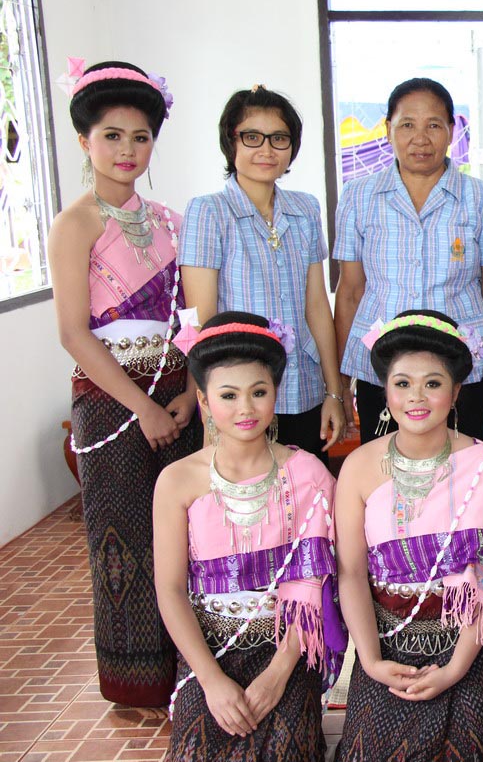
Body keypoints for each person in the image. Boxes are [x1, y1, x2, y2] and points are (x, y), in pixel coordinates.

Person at [332, 310, 483, 760]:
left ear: (457, 391)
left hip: (468, 645)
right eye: (402, 383)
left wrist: (455, 669)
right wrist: (371, 661)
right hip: (386, 644)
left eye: (433, 383)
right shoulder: (359, 467)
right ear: (385, 390)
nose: (416, 397)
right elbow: (351, 572)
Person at [48, 60, 200, 707]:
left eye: (140, 137)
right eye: (112, 135)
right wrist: (143, 407)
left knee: (186, 536)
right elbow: (73, 332)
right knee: (124, 538)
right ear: (84, 140)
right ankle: (139, 681)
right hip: (111, 403)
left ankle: (195, 669)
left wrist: (189, 394)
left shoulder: (172, 220)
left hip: (177, 394)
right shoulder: (74, 224)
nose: (127, 149)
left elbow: (192, 319)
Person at [154, 312, 345, 759]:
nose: (246, 408)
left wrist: (277, 675)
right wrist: (211, 681)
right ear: (203, 400)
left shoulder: (309, 475)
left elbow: (316, 587)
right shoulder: (176, 481)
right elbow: (170, 590)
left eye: (259, 392)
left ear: (275, 393)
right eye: (228, 395)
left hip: (288, 647)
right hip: (209, 650)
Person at [333, 78, 483, 448]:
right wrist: (339, 388)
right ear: (388, 129)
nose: (420, 138)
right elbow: (350, 293)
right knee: (387, 470)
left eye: (433, 125)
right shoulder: (358, 196)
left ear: (451, 130)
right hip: (382, 369)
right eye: (407, 125)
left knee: (464, 471)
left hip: (464, 371)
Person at [179, 86, 345, 462]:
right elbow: (200, 322)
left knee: (306, 489)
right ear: (231, 141)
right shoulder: (208, 212)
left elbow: (317, 306)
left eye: (279, 138)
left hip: (302, 386)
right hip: (239, 395)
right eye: (252, 137)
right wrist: (208, 409)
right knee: (247, 492)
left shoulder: (305, 209)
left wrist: (334, 391)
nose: (267, 150)